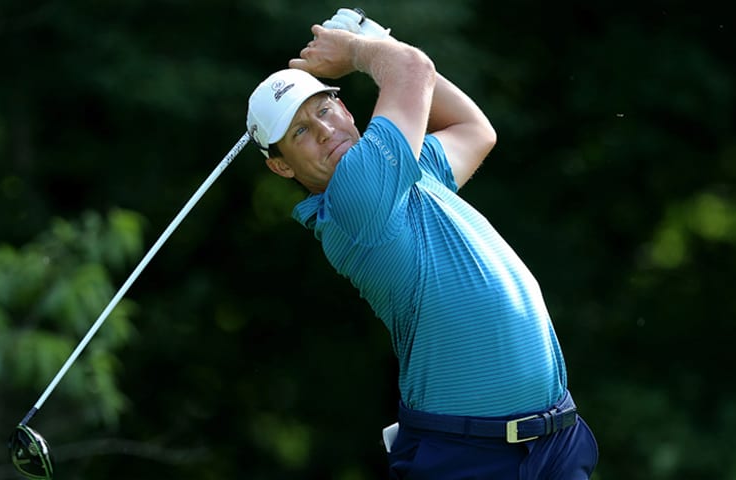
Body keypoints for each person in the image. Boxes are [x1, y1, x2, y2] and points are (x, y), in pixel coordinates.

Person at [246, 8, 598, 479]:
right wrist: (356, 49)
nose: (326, 131)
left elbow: (475, 131)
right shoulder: (353, 196)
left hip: (552, 441)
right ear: (282, 167)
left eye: (325, 109)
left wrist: (373, 38)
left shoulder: (405, 174)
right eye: (301, 132)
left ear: (347, 109)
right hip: (471, 455)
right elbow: (413, 71)